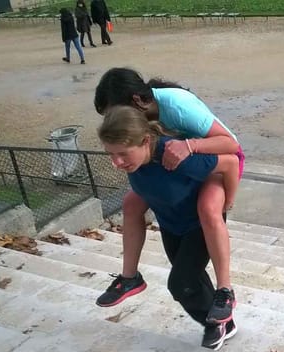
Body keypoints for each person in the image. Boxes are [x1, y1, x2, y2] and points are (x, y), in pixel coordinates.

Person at [94, 68, 245, 326]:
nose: (117, 120)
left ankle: (225, 290)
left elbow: (231, 147)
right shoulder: (143, 132)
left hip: (212, 159)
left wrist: (190, 147)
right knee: (131, 202)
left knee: (209, 209)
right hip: (181, 161)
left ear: (136, 102)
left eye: (116, 113)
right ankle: (130, 276)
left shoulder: (176, 105)